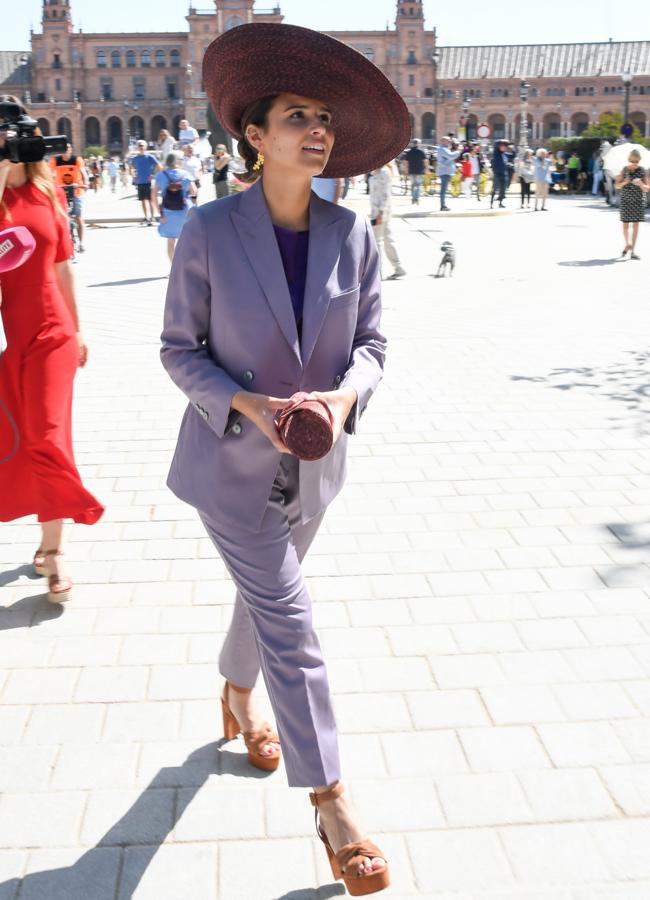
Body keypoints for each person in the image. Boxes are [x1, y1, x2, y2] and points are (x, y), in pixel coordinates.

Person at [160, 22, 410, 896]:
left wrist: (343, 399)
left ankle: (235, 697)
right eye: (297, 115)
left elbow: (373, 345)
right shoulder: (209, 231)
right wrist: (248, 403)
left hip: (314, 470)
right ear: (254, 135)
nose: (319, 129)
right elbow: (177, 351)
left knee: (265, 600)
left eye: (326, 119)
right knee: (293, 626)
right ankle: (332, 803)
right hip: (230, 469)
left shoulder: (352, 233)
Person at [0, 97, 104, 602]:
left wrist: (79, 330)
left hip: (54, 337)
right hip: (13, 341)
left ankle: (57, 554)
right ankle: (46, 542)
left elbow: (64, 266)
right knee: (22, 442)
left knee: (47, 436)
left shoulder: (47, 193)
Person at [152, 152, 196, 262]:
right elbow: (194, 191)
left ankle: (173, 268)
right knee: (187, 240)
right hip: (185, 211)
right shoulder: (186, 174)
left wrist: (160, 213)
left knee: (171, 241)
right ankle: (186, 267)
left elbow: (153, 195)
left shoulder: (161, 175)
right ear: (178, 161)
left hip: (168, 212)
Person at [369, 161, 406, 279]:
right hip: (377, 211)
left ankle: (378, 272)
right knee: (388, 240)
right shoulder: (375, 172)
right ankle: (398, 268)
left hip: (381, 212)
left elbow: (386, 195)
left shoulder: (384, 172)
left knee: (377, 242)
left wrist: (381, 212)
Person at [49, 142, 88, 252]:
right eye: (64, 148)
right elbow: (49, 174)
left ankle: (81, 243)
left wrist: (86, 183)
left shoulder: (77, 160)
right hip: (61, 191)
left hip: (76, 190)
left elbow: (83, 172)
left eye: (68, 148)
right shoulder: (55, 160)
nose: (66, 150)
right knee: (60, 218)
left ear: (71, 150)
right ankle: (63, 244)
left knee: (78, 217)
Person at [615, 149, 649, 259]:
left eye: (637, 162)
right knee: (625, 225)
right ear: (629, 160)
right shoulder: (624, 170)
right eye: (633, 161)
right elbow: (617, 186)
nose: (635, 164)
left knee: (635, 226)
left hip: (638, 201)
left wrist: (641, 184)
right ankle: (627, 244)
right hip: (626, 200)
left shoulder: (643, 171)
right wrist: (625, 182)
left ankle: (633, 251)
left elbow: (647, 189)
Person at [128, 139, 161, 225]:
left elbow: (159, 166)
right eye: (139, 145)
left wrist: (153, 175)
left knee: (150, 200)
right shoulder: (135, 158)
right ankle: (147, 217)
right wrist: (133, 175)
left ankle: (152, 217)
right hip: (140, 182)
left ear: (145, 147)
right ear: (137, 147)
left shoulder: (150, 157)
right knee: (143, 200)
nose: (141, 147)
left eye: (142, 145)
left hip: (149, 181)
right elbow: (130, 167)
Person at [436, 135, 460, 211]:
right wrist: (458, 151)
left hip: (446, 171)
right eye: (448, 141)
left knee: (444, 189)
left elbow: (449, 158)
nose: (449, 142)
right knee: (443, 189)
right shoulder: (442, 149)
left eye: (450, 141)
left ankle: (443, 205)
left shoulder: (444, 149)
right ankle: (443, 206)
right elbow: (451, 156)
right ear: (442, 141)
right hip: (445, 172)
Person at [403, 137, 427, 205]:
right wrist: (426, 169)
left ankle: (413, 197)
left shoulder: (409, 152)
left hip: (411, 170)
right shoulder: (421, 152)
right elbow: (425, 161)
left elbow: (405, 162)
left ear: (413, 144)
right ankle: (417, 198)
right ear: (418, 144)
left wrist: (406, 170)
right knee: (418, 185)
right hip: (419, 170)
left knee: (413, 185)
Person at [490, 140, 510, 208]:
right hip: (497, 173)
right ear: (499, 147)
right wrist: (503, 141)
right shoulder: (496, 152)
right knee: (495, 189)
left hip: (503, 174)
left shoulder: (504, 154)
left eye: (505, 147)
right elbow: (496, 143)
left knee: (503, 190)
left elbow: (512, 156)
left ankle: (500, 203)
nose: (504, 148)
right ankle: (491, 204)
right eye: (502, 146)